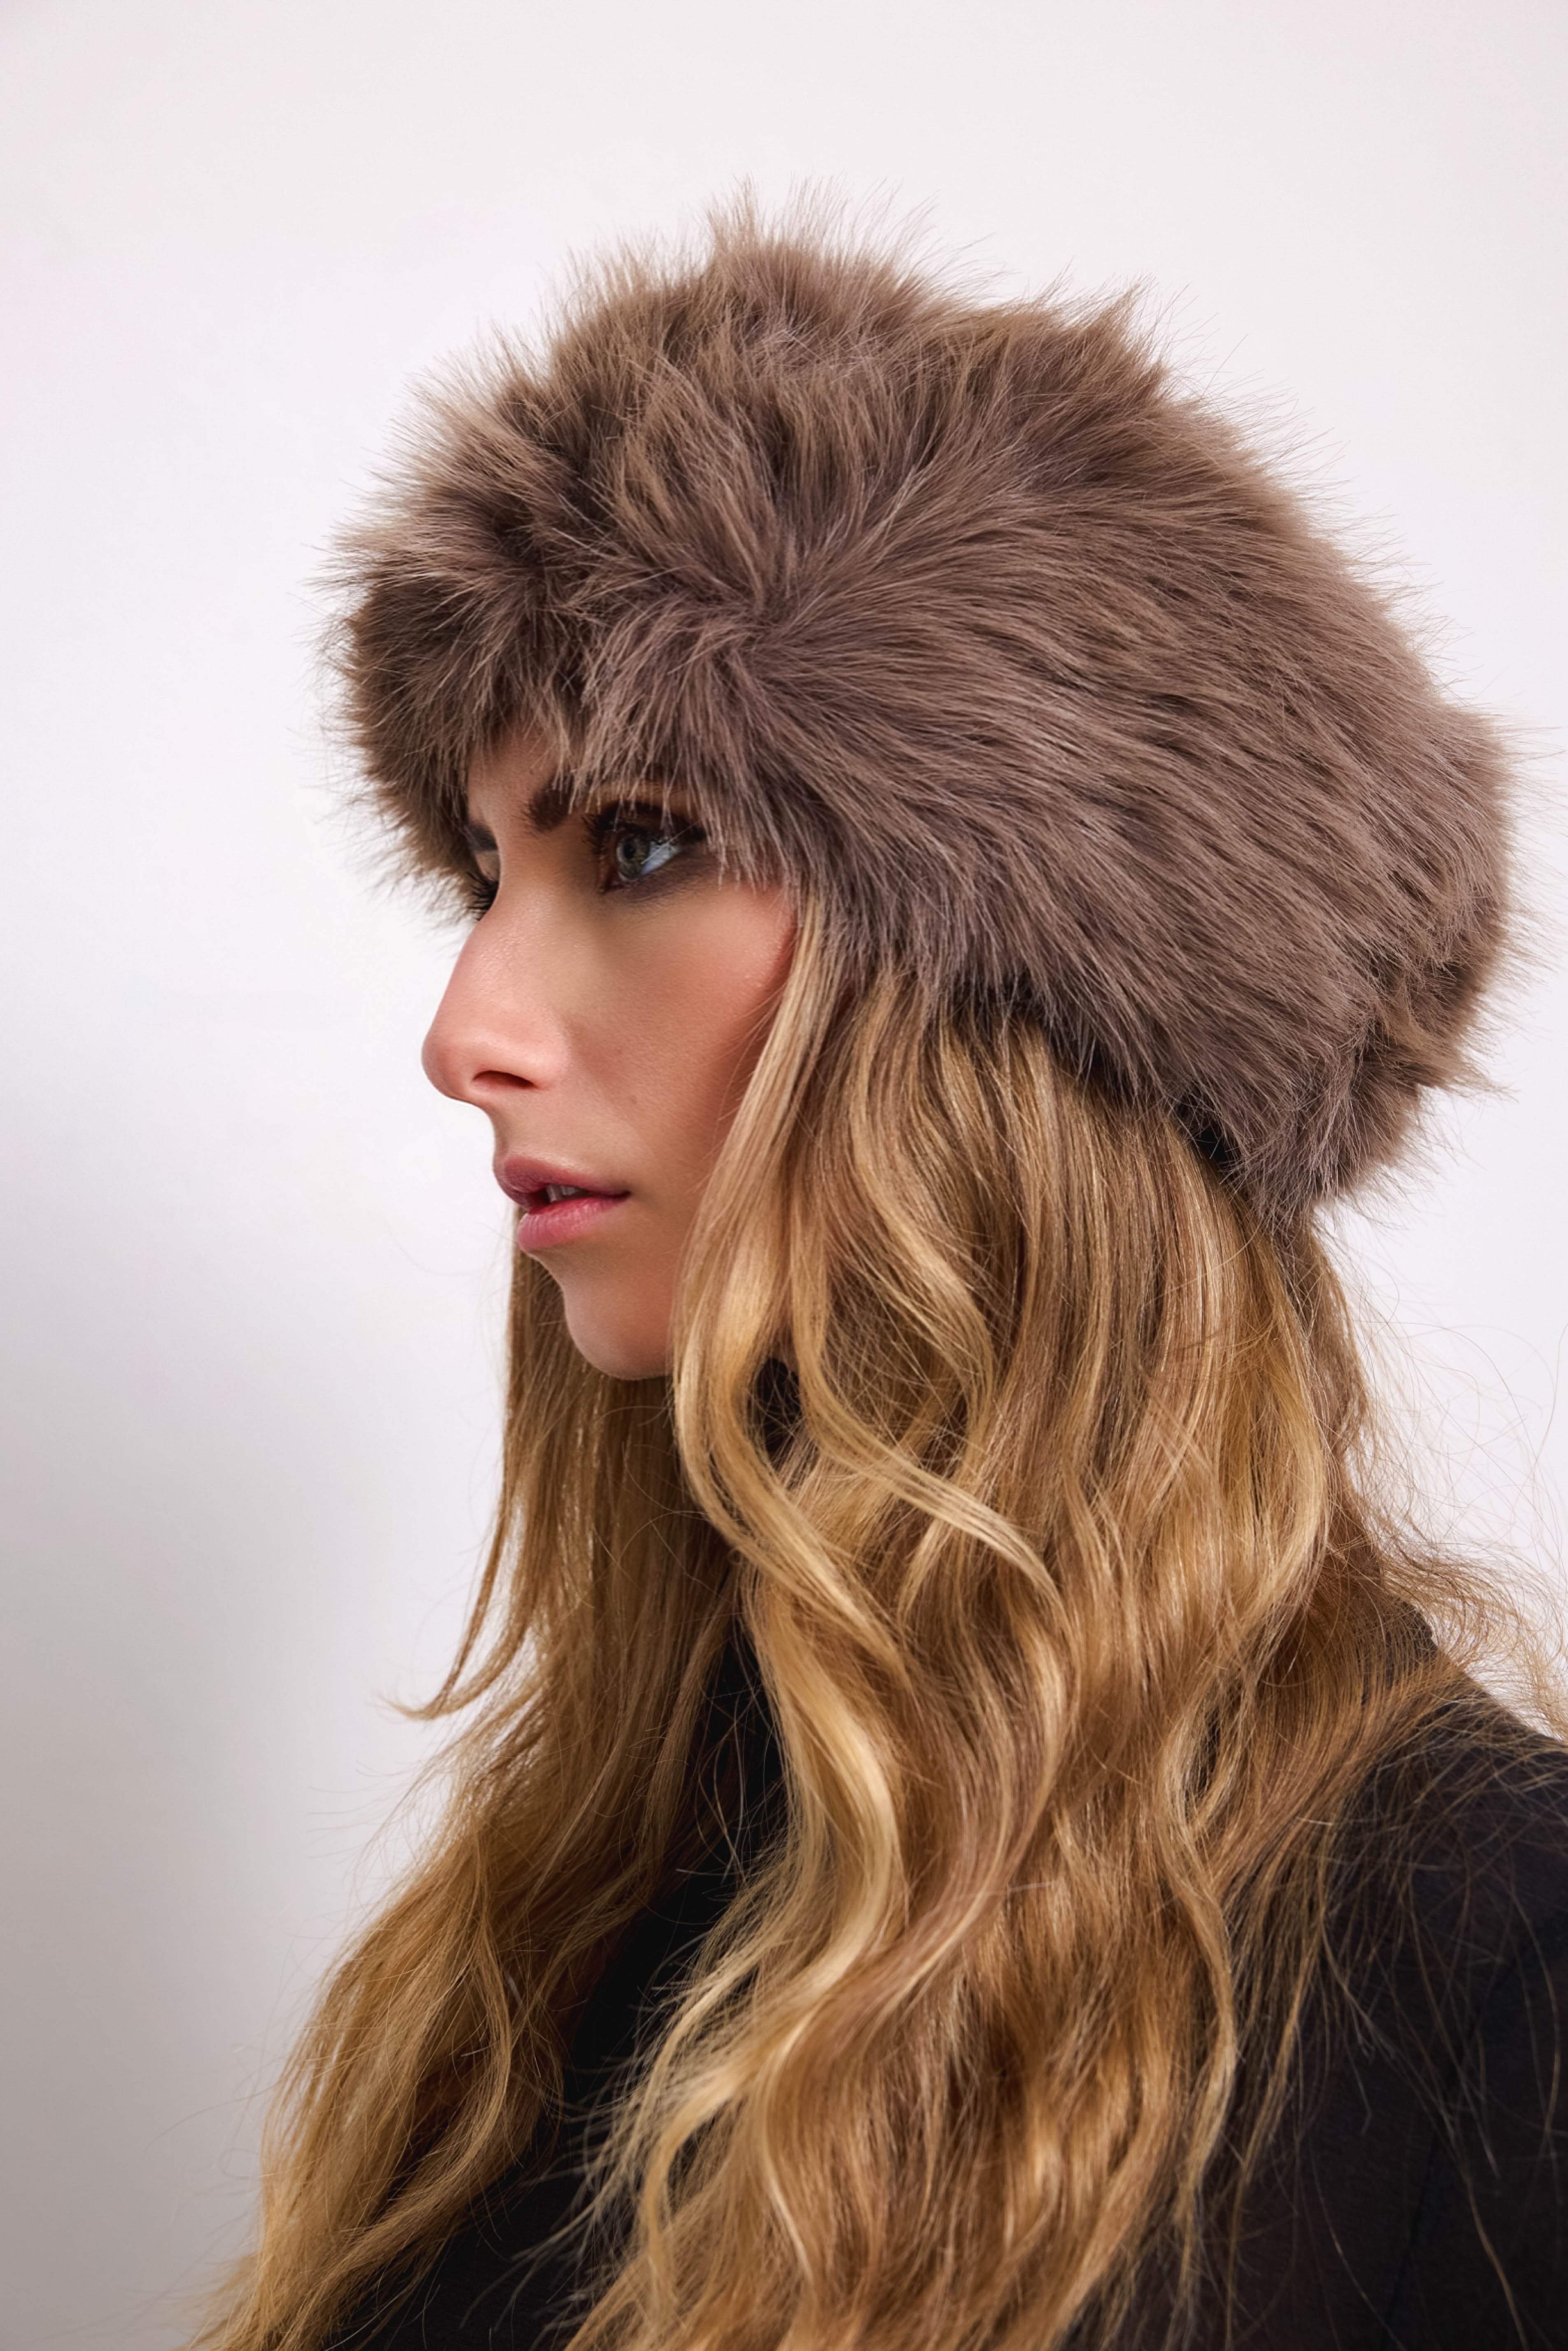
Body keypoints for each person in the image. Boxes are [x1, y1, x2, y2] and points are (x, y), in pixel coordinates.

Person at [191, 205, 1568, 2351]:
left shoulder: (1494, 1974)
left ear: (1031, 998)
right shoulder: (589, 1923)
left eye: (638, 843)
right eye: (484, 868)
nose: (464, 1031)